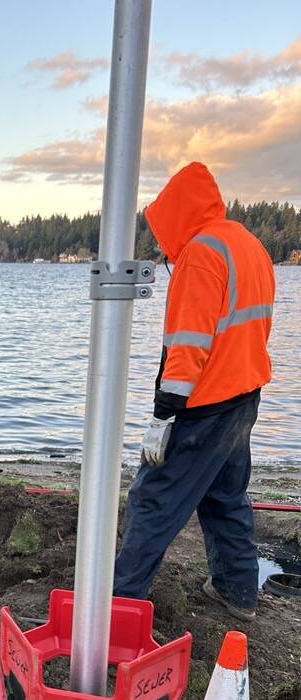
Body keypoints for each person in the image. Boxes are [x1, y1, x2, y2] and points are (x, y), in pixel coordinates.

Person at [114, 162, 274, 622]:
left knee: (153, 498)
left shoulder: (202, 254)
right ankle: (237, 590)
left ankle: (122, 602)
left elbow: (188, 345)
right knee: (225, 495)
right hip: (245, 394)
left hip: (204, 407)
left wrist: (164, 415)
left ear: (177, 216)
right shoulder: (247, 244)